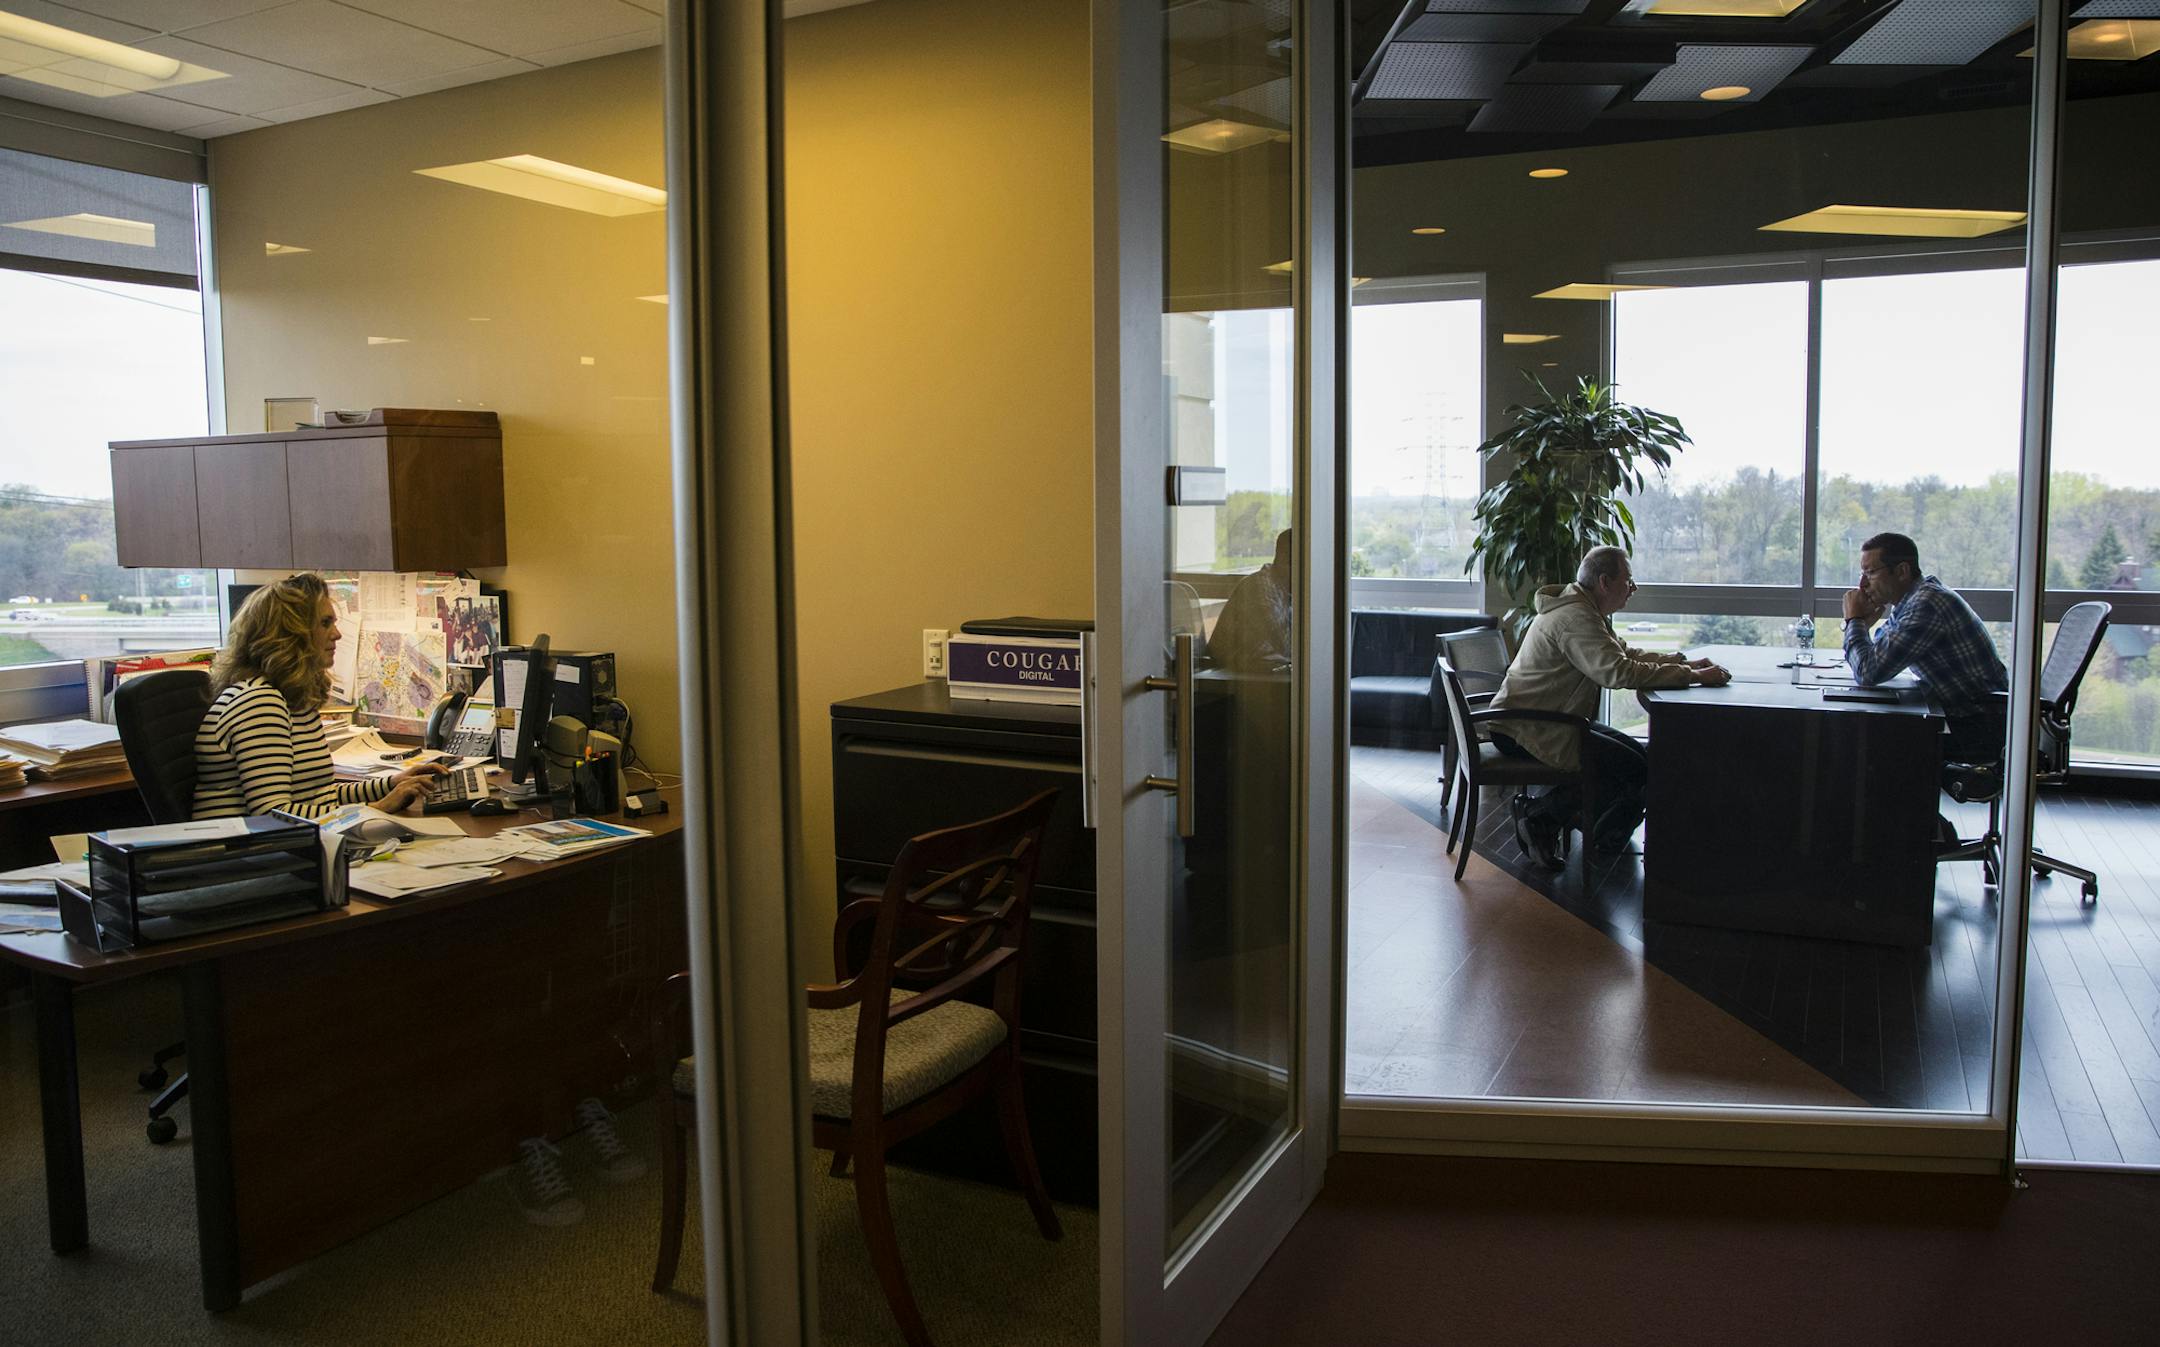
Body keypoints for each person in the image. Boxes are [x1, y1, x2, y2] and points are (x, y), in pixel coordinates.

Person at [1487, 546, 1731, 867]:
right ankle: (1543, 817)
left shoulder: (1584, 610)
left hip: (1549, 721)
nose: (1633, 588)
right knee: (1631, 768)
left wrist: (1683, 663)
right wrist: (1694, 676)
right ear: (1604, 582)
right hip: (1527, 728)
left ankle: (1589, 828)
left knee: (1640, 758)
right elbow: (1618, 672)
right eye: (1628, 580)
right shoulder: (1576, 617)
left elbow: (1623, 655)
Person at [194, 573, 443, 819]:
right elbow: (271, 813)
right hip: (247, 843)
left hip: (293, 839)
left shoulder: (292, 698)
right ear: (289, 634)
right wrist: (377, 809)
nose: (337, 634)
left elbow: (318, 795)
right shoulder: (259, 702)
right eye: (325, 623)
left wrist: (390, 784)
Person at [1842, 530, 2009, 796]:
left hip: (1979, 726)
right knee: (1877, 737)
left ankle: (1912, 821)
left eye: (1871, 573)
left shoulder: (1927, 604)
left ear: (1902, 571)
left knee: (1874, 743)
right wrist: (1862, 625)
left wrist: (1855, 621)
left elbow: (1869, 671)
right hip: (1966, 716)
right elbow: (1879, 656)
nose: (1863, 584)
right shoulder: (1914, 600)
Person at [1211, 527, 1294, 672]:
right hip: (1230, 674)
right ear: (1284, 560)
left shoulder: (1285, 588)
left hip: (1256, 670)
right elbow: (1286, 644)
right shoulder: (1262, 587)